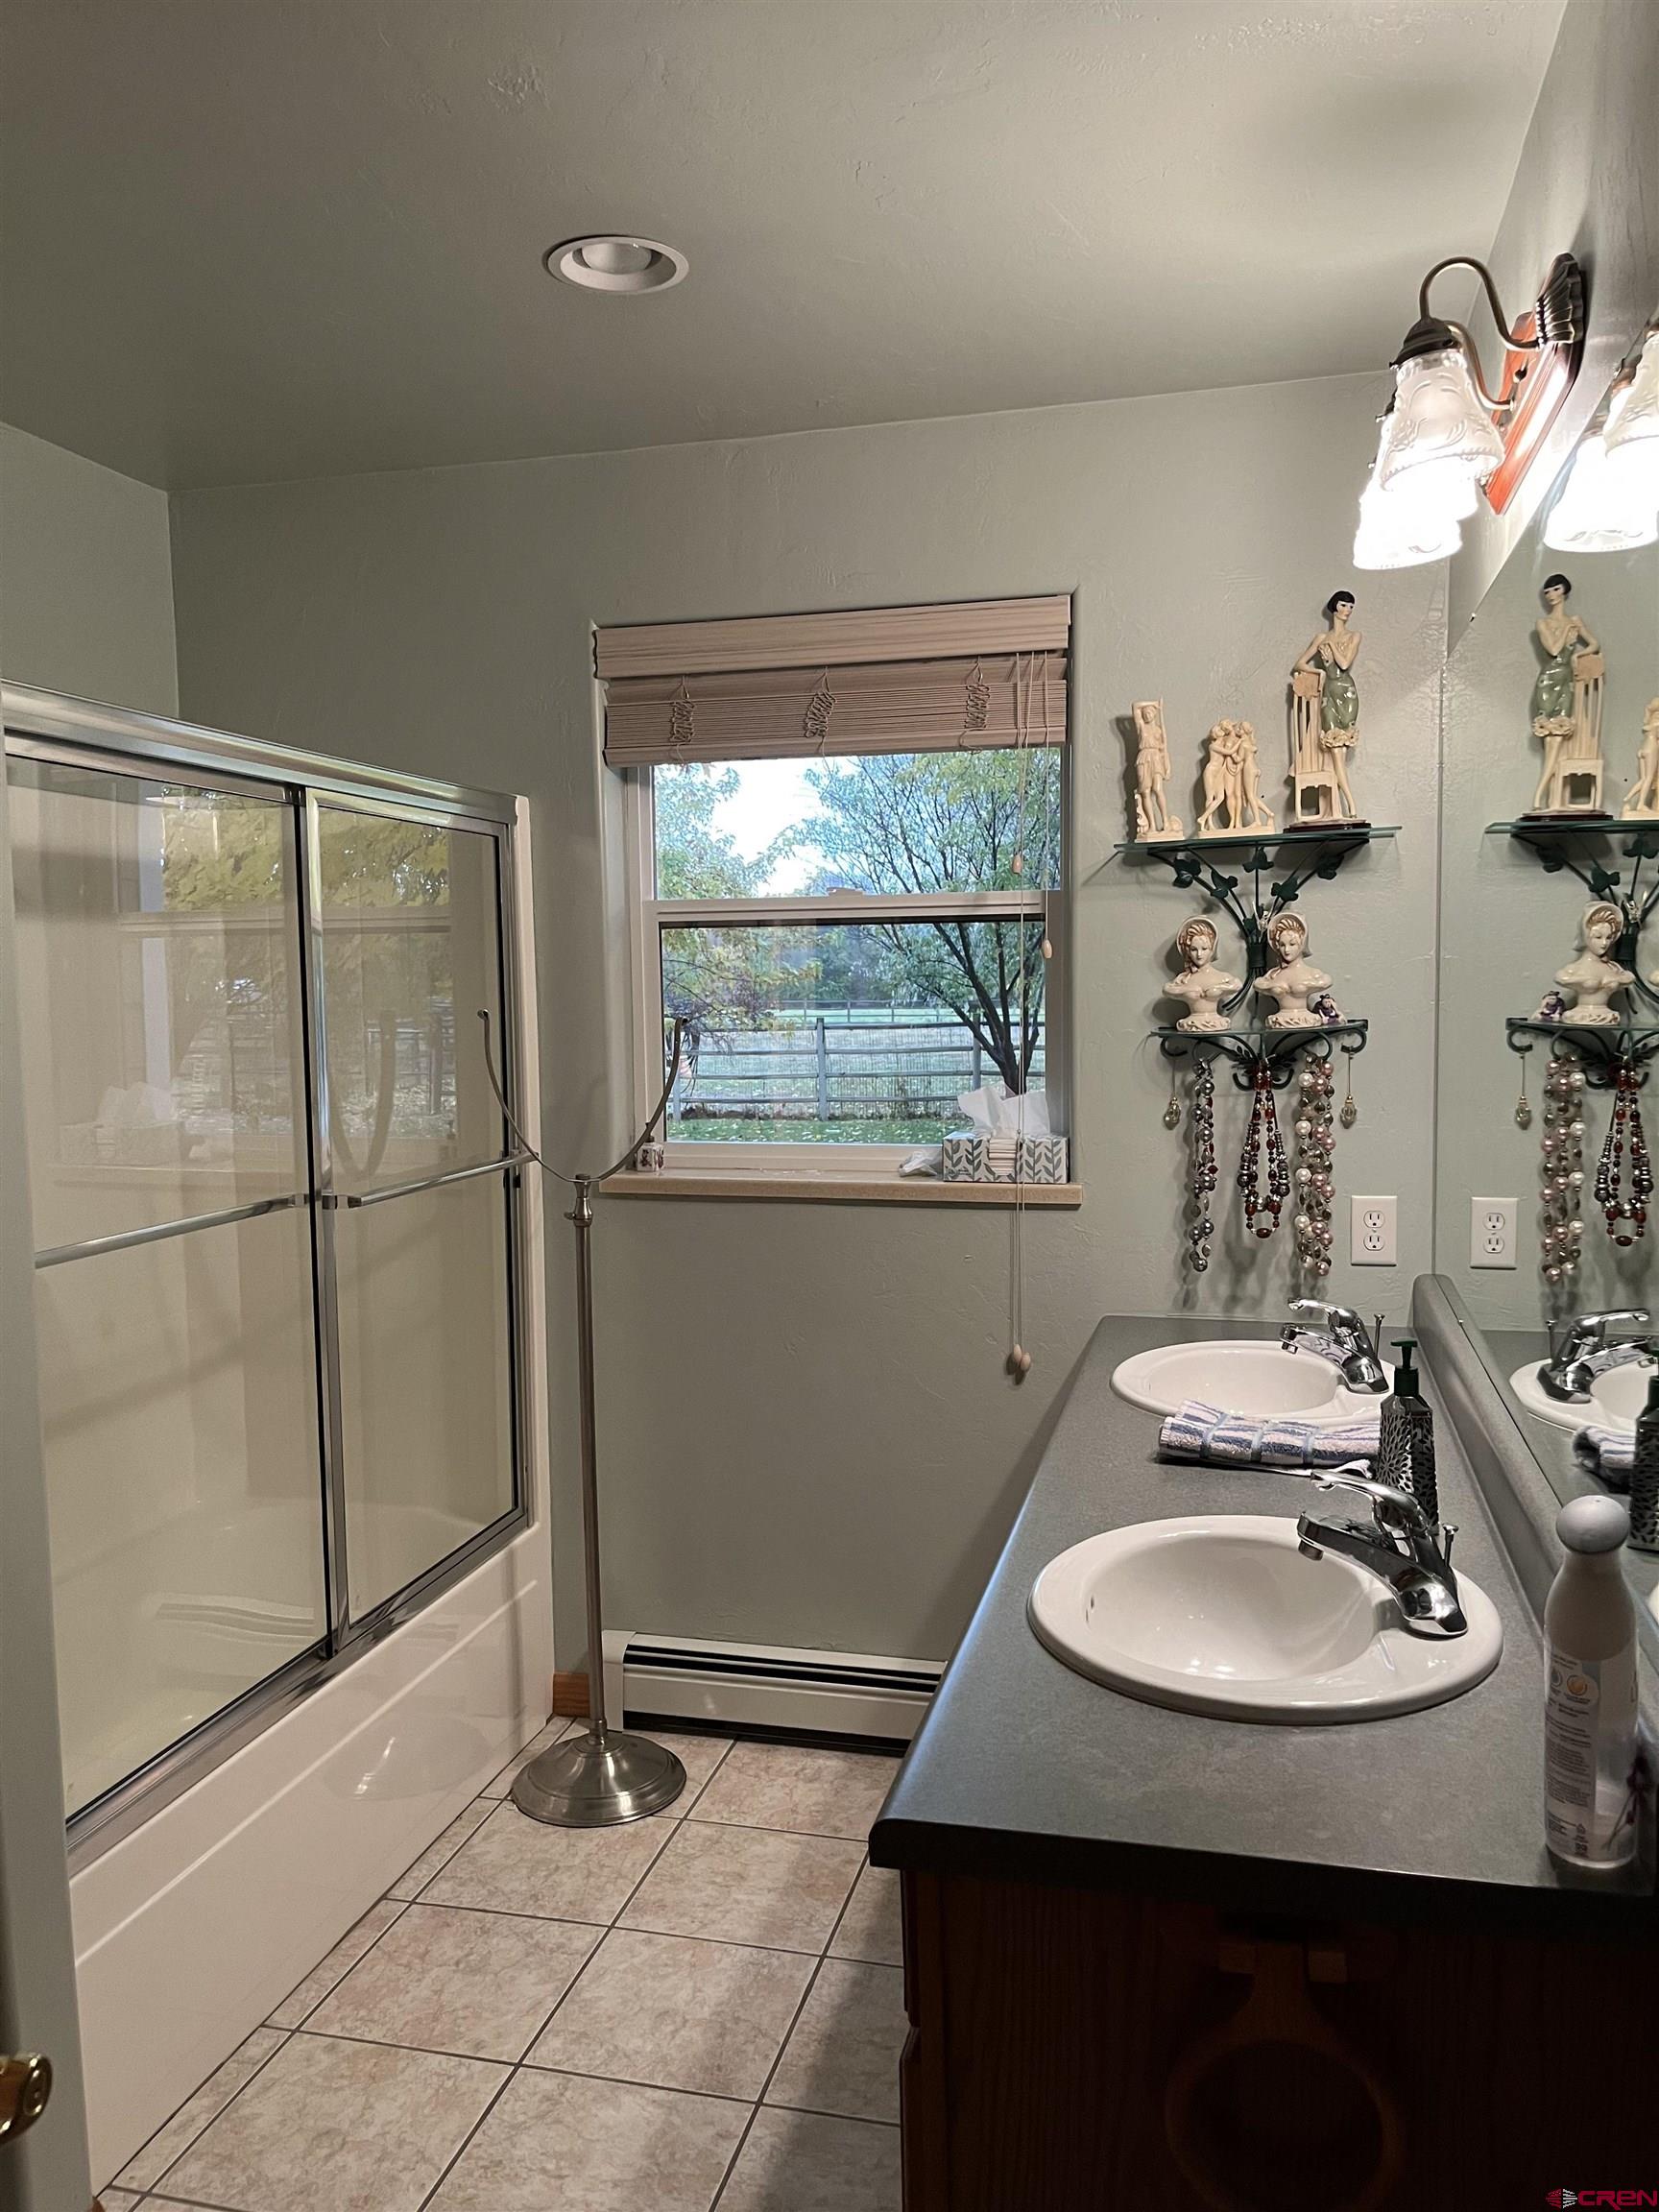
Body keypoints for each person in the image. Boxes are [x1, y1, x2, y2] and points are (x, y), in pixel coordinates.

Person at [1292, 591, 1361, 820]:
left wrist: (1331, 646)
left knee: (1342, 747)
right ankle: (1349, 805)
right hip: (1329, 695)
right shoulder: (1321, 637)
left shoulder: (1354, 636)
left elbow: (1344, 662)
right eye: (1343, 605)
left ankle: (1346, 806)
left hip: (1346, 692)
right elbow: (1300, 663)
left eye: (1350, 607)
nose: (1347, 611)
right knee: (1336, 752)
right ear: (1334, 607)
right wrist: (1318, 671)